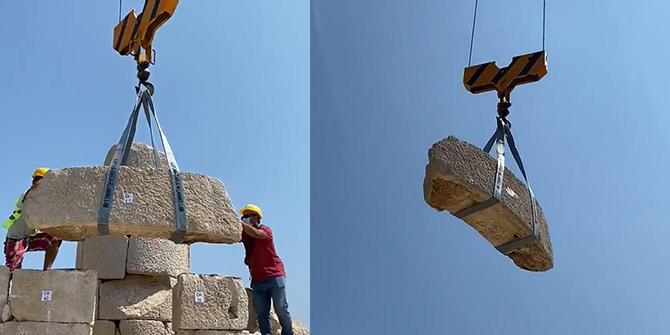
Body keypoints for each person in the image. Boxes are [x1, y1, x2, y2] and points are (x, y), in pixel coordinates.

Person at [239, 204, 293, 335]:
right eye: (243, 216)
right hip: (257, 279)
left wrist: (240, 223)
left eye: (247, 216)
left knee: (281, 308)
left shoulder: (266, 230)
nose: (244, 218)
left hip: (275, 276)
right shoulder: (245, 234)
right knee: (262, 313)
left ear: (256, 217)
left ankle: (288, 333)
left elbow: (257, 234)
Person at [2, 168, 62, 272]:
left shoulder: (46, 202)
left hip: (30, 237)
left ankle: (46, 271)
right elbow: (26, 197)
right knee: (13, 270)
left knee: (56, 238)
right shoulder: (27, 195)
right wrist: (32, 190)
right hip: (16, 238)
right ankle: (7, 286)